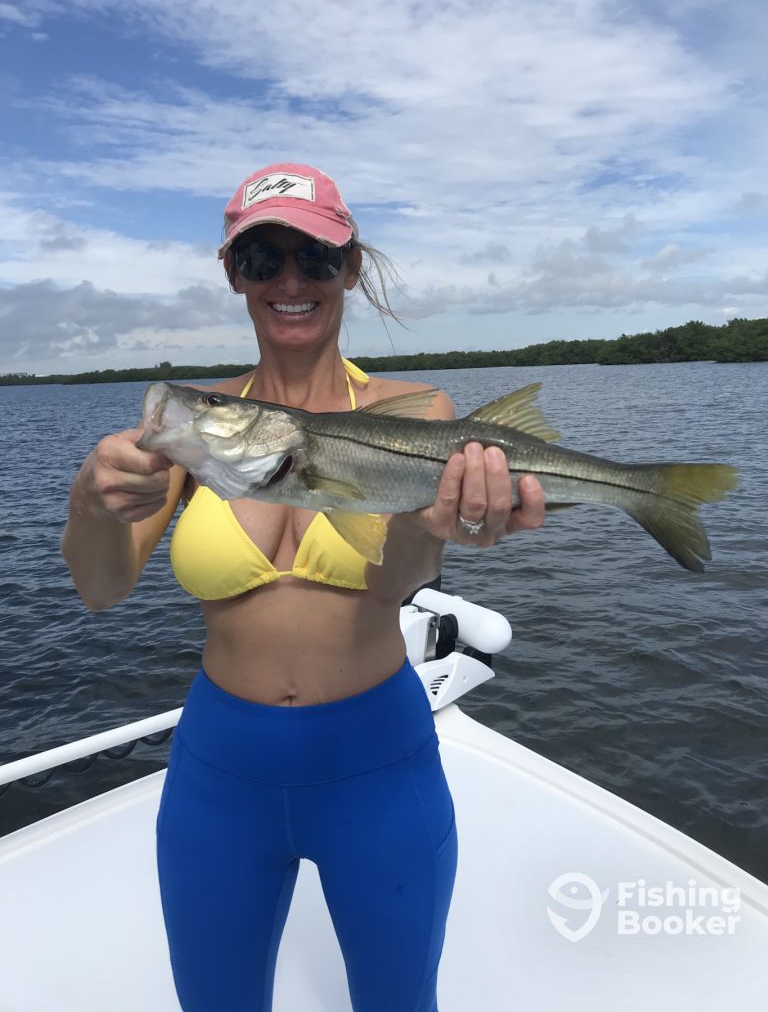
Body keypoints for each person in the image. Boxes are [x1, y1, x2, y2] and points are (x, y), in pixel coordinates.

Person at [61, 162, 545, 1012]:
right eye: (263, 260)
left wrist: (449, 527)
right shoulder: (197, 429)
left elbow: (406, 579)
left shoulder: (416, 413)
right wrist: (91, 503)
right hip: (220, 774)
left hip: (377, 765)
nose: (290, 282)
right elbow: (102, 589)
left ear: (349, 269)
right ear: (233, 275)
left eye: (315, 258)